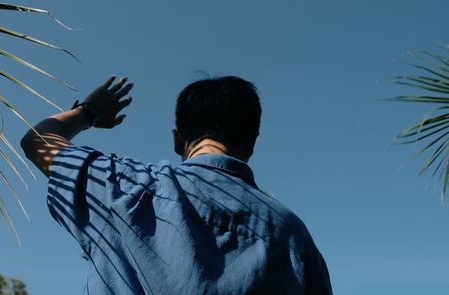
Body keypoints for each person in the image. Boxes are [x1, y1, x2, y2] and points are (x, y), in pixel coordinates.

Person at [21, 75, 332, 294]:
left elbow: (38, 141)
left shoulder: (126, 186)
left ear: (177, 140)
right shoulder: (293, 235)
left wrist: (87, 112)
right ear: (251, 144)